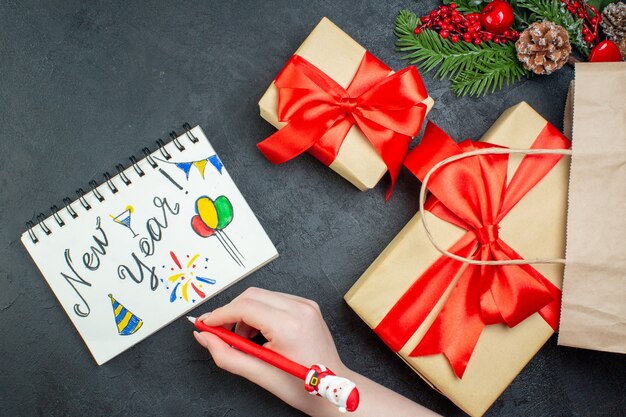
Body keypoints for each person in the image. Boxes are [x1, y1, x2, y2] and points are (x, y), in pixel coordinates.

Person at [193, 287, 441, 417]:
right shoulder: (328, 381)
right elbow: (323, 375)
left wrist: (324, 403)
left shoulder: (331, 394)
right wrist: (333, 374)